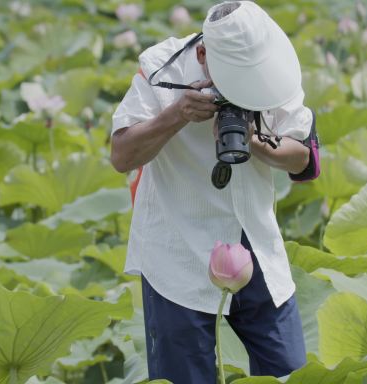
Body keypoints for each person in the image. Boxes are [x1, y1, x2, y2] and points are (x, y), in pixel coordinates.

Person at [110, 2, 319, 382]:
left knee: (290, 371)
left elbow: (303, 159)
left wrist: (255, 141)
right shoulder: (161, 67)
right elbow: (122, 155)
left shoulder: (272, 69)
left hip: (254, 239)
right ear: (203, 54)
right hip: (177, 250)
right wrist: (175, 115)